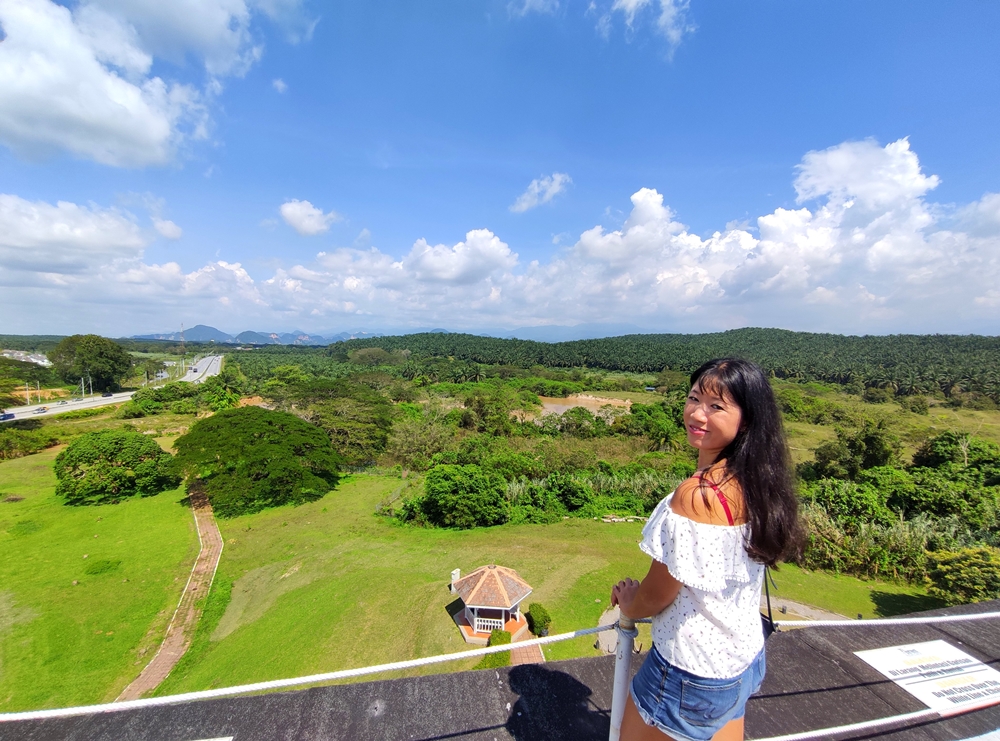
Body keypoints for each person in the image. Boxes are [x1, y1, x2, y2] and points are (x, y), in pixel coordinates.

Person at [611, 357, 800, 741]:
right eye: (694, 398)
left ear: (745, 419)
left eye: (717, 406)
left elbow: (658, 593)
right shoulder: (758, 482)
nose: (698, 414)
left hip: (689, 670)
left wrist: (630, 604)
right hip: (742, 660)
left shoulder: (696, 496)